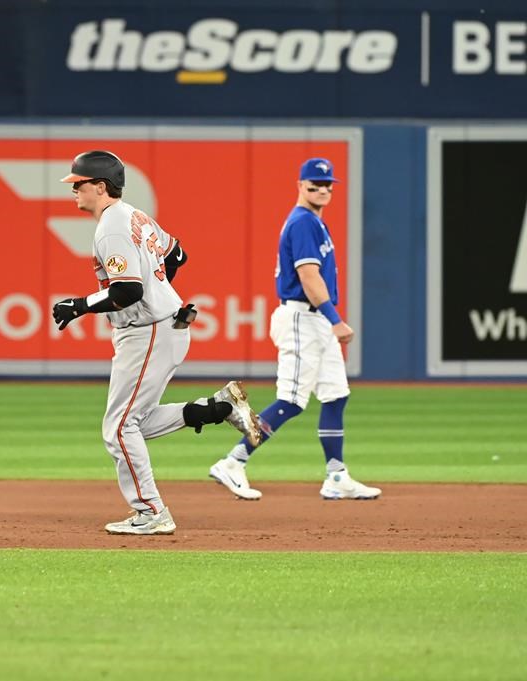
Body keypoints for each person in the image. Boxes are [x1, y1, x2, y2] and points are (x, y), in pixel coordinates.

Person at [51, 150, 262, 536]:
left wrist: (79, 306)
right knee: (134, 423)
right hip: (164, 326)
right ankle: (218, 408)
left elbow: (128, 290)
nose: (73, 190)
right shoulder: (135, 214)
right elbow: (177, 253)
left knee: (119, 428)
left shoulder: (112, 227)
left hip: (148, 330)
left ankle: (152, 511)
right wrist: (162, 291)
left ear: (100, 186)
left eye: (79, 183)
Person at [208, 157, 380, 501]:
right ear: (300, 186)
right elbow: (308, 276)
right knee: (291, 400)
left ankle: (336, 475)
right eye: (314, 185)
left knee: (335, 395)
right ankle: (233, 461)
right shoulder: (303, 222)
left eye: (327, 184)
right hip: (304, 318)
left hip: (314, 320)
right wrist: (336, 320)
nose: (322, 190)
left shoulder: (313, 221)